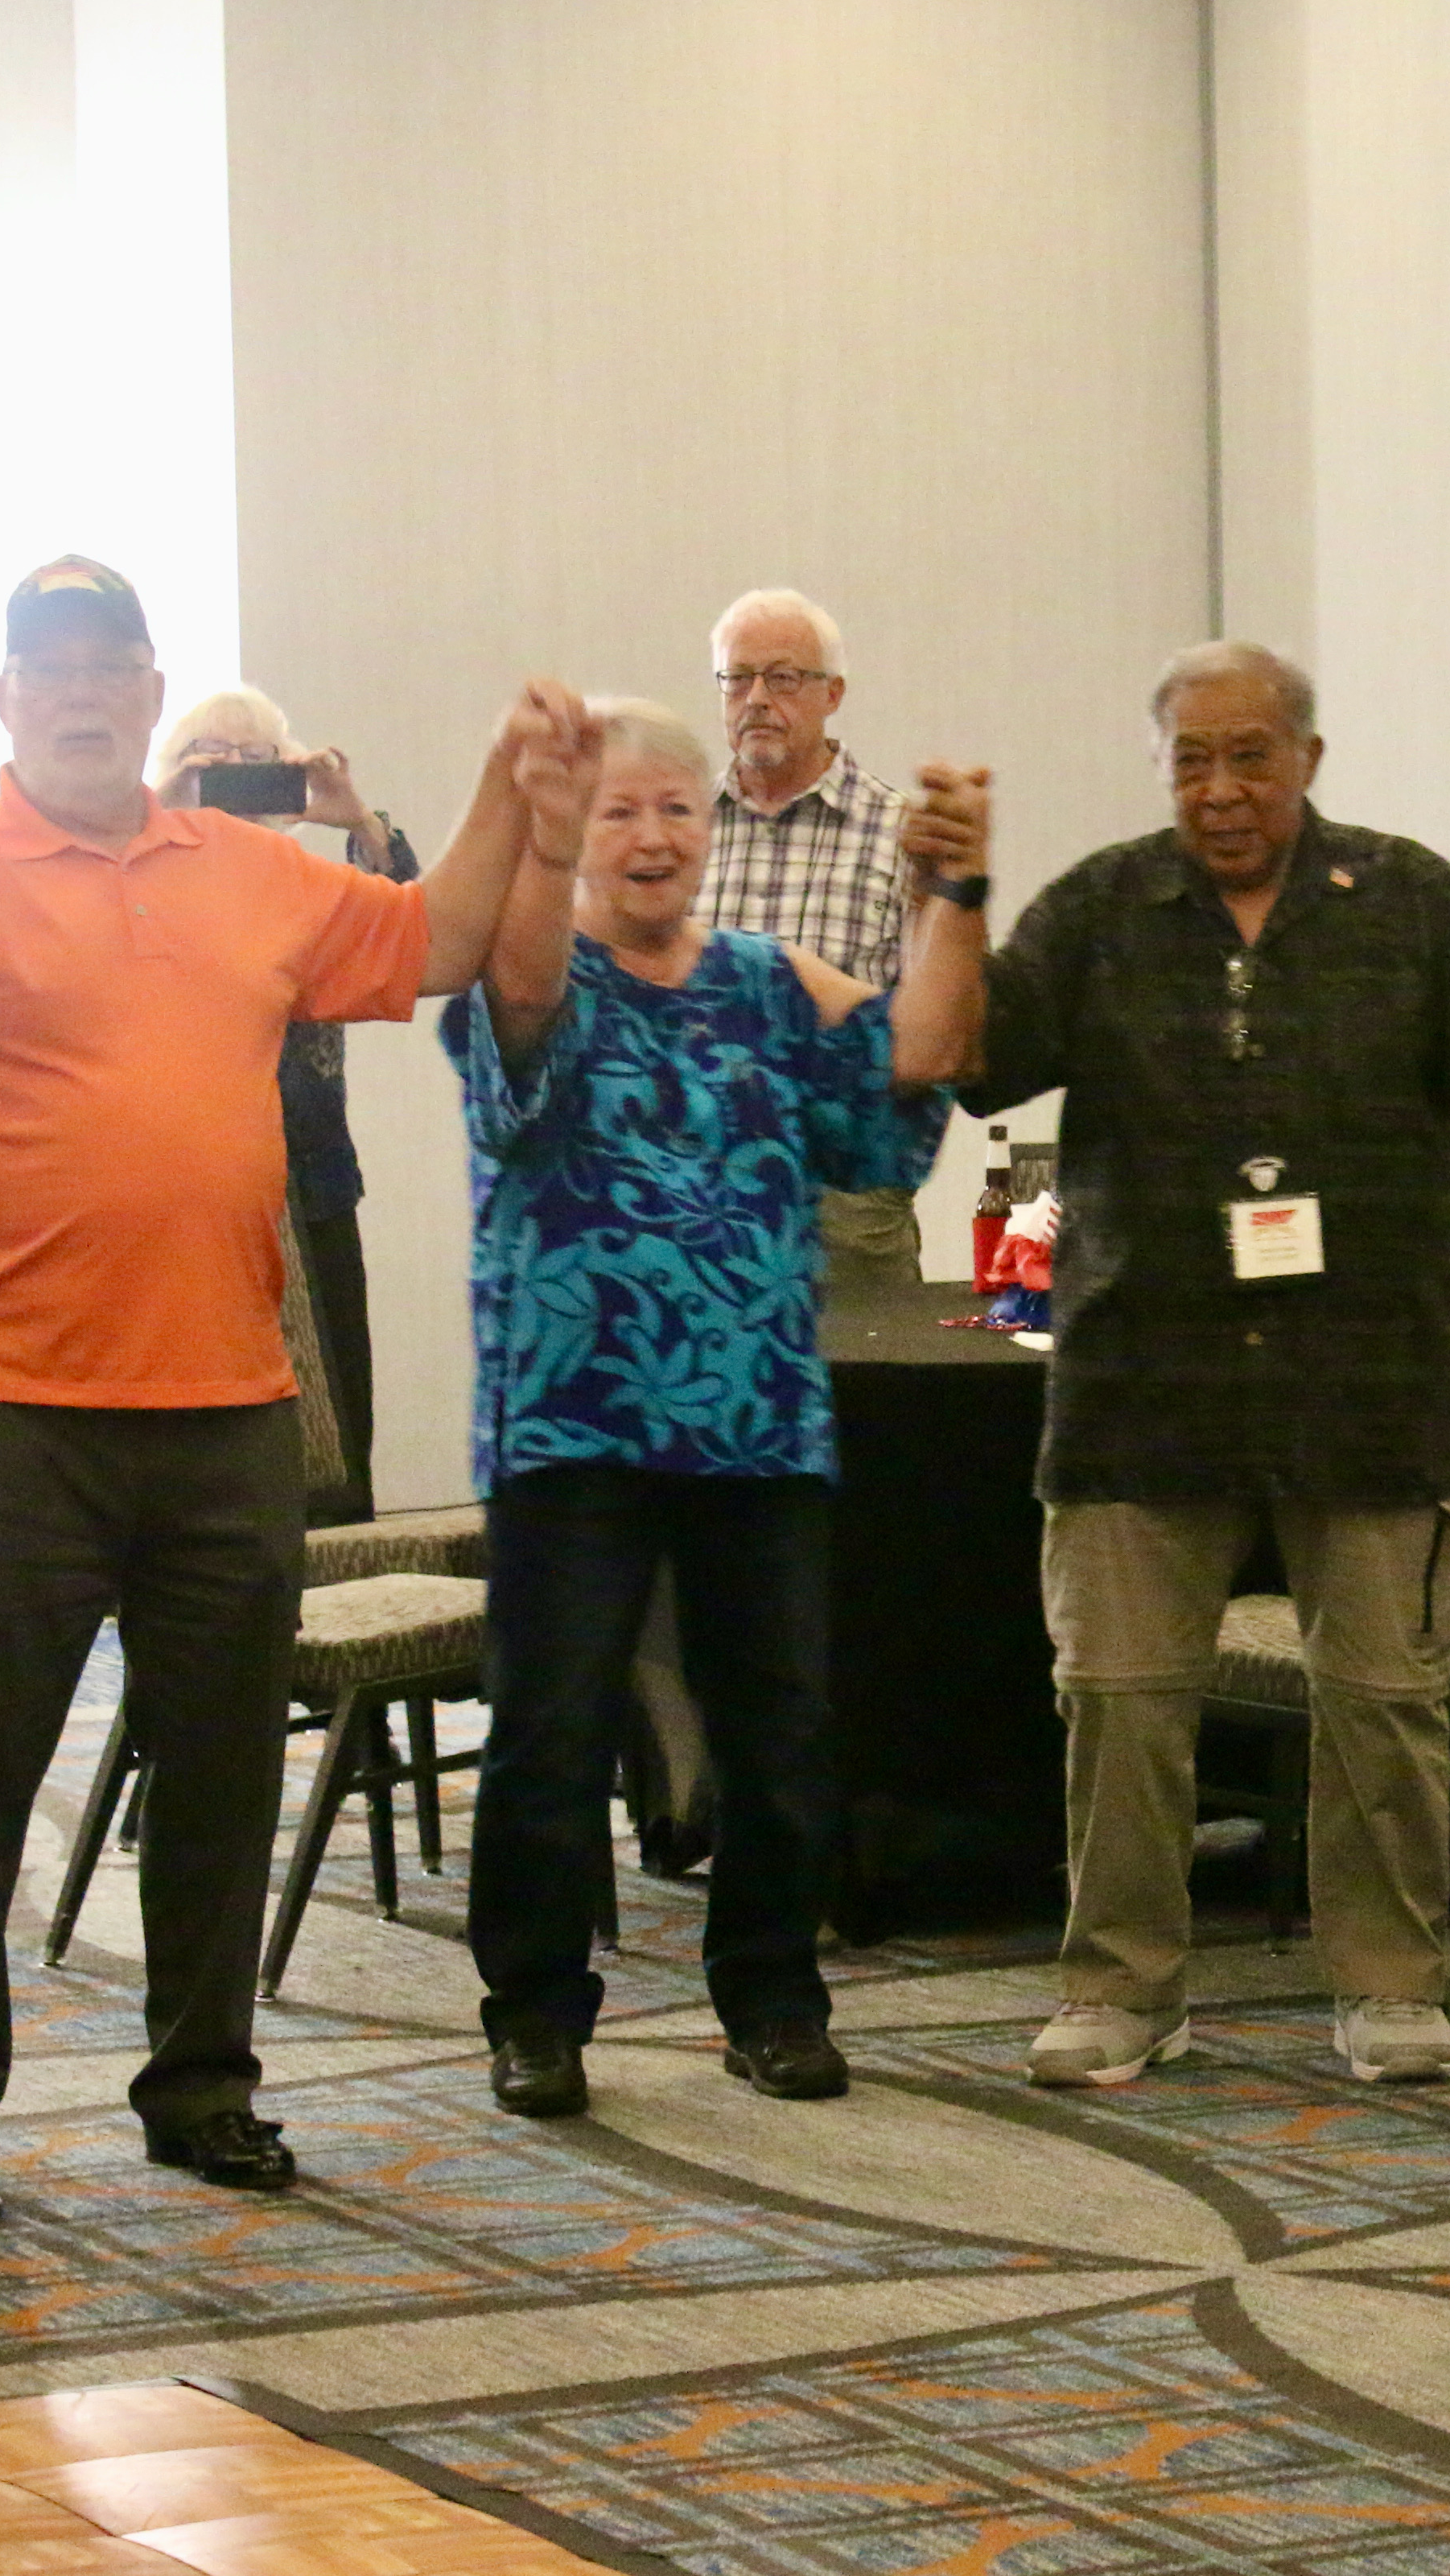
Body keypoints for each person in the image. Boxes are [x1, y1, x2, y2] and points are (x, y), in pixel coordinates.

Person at [0, 557, 547, 2225]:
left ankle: (204, 2084)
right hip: (12, 1406)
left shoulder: (250, 870)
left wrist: (510, 784)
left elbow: (439, 939)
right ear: (11, 697)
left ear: (152, 692)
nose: (81, 692)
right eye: (50, 668)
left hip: (228, 1406)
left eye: (111, 665)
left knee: (221, 1772)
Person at [964, 641, 1450, 2091]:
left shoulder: (1411, 900)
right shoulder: (1099, 908)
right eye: (1192, 760)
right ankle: (1121, 1988)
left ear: (1308, 758)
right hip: (1142, 1373)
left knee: (1382, 1699)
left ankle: (1389, 1984)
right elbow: (972, 1061)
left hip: (1367, 1371)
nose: (1222, 789)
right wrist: (952, 895)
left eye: (1250, 756)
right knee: (1118, 1697)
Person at [445, 697, 987, 2120]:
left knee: (781, 1730)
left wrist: (953, 894)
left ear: (709, 830)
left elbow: (918, 1064)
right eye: (617, 810)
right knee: (552, 1733)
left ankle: (773, 1999)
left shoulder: (767, 979)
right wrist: (533, 828)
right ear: (577, 835)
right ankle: (535, 2015)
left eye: (675, 810)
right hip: (572, 1417)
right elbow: (519, 1016)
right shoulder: (533, 962)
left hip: (755, 1420)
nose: (650, 836)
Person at [159, 684, 415, 1522]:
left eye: (256, 760)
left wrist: (357, 819)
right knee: (209, 1443)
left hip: (313, 1191)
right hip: (187, 1203)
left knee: (336, 1421)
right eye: (215, 758)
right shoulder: (141, 884)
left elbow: (415, 929)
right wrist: (157, 809)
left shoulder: (310, 889)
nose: (237, 773)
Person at [700, 588, 928, 1298]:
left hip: (844, 1201)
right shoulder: (676, 833)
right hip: (696, 1193)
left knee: (867, 1373)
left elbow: (937, 1029)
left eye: (783, 678)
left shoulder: (904, 835)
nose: (757, 699)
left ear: (833, 694)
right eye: (738, 678)